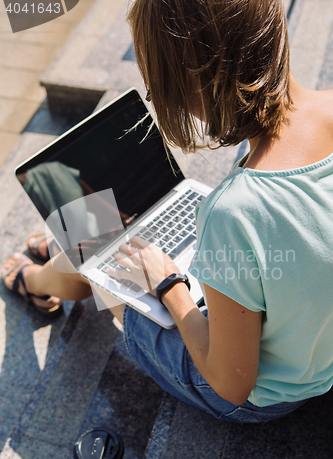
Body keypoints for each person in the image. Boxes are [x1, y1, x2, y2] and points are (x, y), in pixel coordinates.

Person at [2, 0, 333, 422]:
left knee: (107, 265)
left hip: (266, 395)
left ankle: (37, 277)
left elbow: (232, 384)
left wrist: (169, 285)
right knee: (106, 247)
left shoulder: (233, 212)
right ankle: (62, 249)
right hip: (315, 346)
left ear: (186, 83)